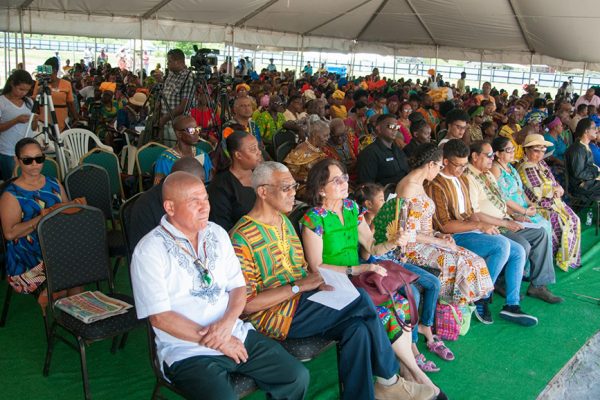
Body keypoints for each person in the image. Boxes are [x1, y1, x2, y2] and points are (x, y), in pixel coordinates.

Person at [230, 161, 435, 400]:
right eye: (286, 187)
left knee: (356, 328)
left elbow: (305, 269)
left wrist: (314, 283)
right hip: (277, 316)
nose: (294, 192)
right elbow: (247, 304)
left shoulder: (282, 221)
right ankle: (389, 381)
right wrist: (300, 285)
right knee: (359, 300)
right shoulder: (241, 238)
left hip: (303, 298)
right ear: (263, 191)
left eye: (294, 186)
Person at [130, 171, 309, 400]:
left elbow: (238, 288)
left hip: (234, 333)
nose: (204, 207)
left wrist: (226, 325)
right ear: (170, 207)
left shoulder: (217, 233)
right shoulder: (149, 251)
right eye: (194, 201)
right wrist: (219, 341)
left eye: (205, 199)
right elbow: (160, 318)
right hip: (187, 350)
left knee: (295, 376)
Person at [299, 159, 439, 399]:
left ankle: (406, 372)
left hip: (358, 277)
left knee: (400, 304)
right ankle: (414, 376)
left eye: (344, 177)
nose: (345, 183)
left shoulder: (352, 209)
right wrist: (358, 269)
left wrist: (393, 242)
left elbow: (373, 247)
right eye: (337, 180)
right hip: (333, 284)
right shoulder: (314, 219)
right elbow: (317, 267)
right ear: (321, 188)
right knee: (382, 313)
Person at [425, 139, 537, 326]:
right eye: (459, 165)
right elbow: (444, 226)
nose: (463, 169)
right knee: (501, 246)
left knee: (518, 251)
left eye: (464, 164)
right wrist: (478, 226)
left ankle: (511, 304)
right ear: (445, 162)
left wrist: (484, 225)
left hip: (470, 228)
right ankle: (481, 297)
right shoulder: (436, 185)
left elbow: (471, 212)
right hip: (453, 234)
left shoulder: (461, 178)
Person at [354, 182, 452, 373]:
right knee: (413, 294)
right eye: (381, 200)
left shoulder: (389, 218)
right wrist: (375, 230)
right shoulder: (363, 224)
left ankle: (427, 328)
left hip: (395, 261)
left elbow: (396, 244)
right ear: (368, 204)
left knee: (433, 283)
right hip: (379, 268)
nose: (385, 203)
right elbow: (367, 256)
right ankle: (414, 347)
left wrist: (400, 243)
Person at [393, 143, 494, 305]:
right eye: (439, 166)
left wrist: (439, 235)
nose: (440, 170)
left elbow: (424, 223)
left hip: (427, 241)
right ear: (431, 164)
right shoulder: (408, 187)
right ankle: (449, 307)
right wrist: (438, 241)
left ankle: (457, 308)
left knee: (475, 260)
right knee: (462, 263)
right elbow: (404, 231)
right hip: (411, 248)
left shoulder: (419, 183)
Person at [465, 140, 562, 304]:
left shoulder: (487, 173)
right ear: (474, 156)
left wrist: (514, 215)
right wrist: (505, 222)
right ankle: (503, 282)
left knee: (540, 233)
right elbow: (474, 214)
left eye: (492, 154)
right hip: (492, 226)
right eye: (488, 155)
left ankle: (538, 285)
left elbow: (501, 200)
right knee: (522, 245)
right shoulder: (468, 177)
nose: (492, 158)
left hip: (506, 219)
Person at [0, 138, 83, 305]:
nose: (34, 164)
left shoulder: (54, 183)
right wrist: (42, 218)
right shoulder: (11, 194)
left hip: (55, 244)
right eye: (27, 160)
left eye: (39, 159)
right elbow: (9, 234)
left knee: (75, 274)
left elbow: (65, 214)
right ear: (17, 161)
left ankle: (74, 316)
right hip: (26, 255)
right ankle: (61, 312)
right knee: (66, 276)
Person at [518, 134, 581, 271]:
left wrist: (559, 188)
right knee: (560, 220)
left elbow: (552, 181)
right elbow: (536, 192)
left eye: (542, 150)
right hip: (540, 206)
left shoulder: (541, 163)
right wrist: (555, 189)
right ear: (526, 150)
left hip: (554, 202)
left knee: (574, 219)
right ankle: (551, 259)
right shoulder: (525, 167)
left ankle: (567, 258)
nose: (540, 154)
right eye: (536, 150)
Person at [127, 156, 205, 251]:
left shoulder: (195, 200)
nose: (201, 190)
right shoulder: (145, 208)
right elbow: (144, 252)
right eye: (194, 187)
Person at [490, 136, 553, 241]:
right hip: (512, 212)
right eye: (508, 150)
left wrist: (530, 204)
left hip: (523, 208)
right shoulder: (495, 169)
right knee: (542, 229)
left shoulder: (510, 167)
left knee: (546, 224)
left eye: (513, 149)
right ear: (497, 153)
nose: (512, 153)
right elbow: (502, 198)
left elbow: (521, 191)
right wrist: (521, 212)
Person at [208, 131, 263, 232]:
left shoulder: (261, 174)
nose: (259, 152)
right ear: (238, 155)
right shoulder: (221, 186)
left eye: (258, 148)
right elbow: (221, 228)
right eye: (253, 149)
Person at [0, 70, 37, 181]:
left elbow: (33, 128)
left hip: (27, 150)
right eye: (21, 89)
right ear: (12, 84)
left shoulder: (29, 102)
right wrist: (16, 120)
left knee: (27, 180)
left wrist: (34, 120)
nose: (23, 93)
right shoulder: (2, 102)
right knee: (12, 181)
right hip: (8, 150)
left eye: (26, 90)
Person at [154, 116, 212, 184]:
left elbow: (210, 182)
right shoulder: (165, 160)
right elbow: (159, 189)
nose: (196, 134)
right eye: (191, 130)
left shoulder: (203, 155)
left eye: (197, 129)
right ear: (179, 134)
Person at [357, 114, 409, 186]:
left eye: (397, 127)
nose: (395, 130)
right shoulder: (369, 153)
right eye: (391, 126)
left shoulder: (397, 149)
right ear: (378, 128)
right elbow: (367, 185)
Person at [32, 57, 79, 132]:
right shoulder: (40, 83)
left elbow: (70, 103)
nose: (47, 73)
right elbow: (34, 101)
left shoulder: (66, 84)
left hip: (62, 123)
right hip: (43, 122)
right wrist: (39, 91)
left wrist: (76, 118)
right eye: (45, 70)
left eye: (50, 70)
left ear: (56, 70)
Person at [283, 119, 329, 196]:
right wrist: (308, 180)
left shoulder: (320, 147)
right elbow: (289, 174)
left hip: (320, 182)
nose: (327, 138)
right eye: (325, 136)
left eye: (328, 135)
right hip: (305, 186)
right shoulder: (300, 151)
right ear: (314, 135)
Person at [158, 49, 193, 146]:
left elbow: (184, 105)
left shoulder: (188, 77)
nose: (167, 64)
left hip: (178, 125)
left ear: (179, 62)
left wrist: (165, 118)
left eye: (169, 61)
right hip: (165, 123)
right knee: (167, 150)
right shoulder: (170, 74)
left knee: (177, 153)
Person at [565, 118, 600, 199]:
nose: (597, 131)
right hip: (581, 186)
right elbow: (579, 174)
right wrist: (597, 174)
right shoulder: (577, 150)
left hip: (588, 182)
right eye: (594, 128)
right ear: (586, 131)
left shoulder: (584, 146)